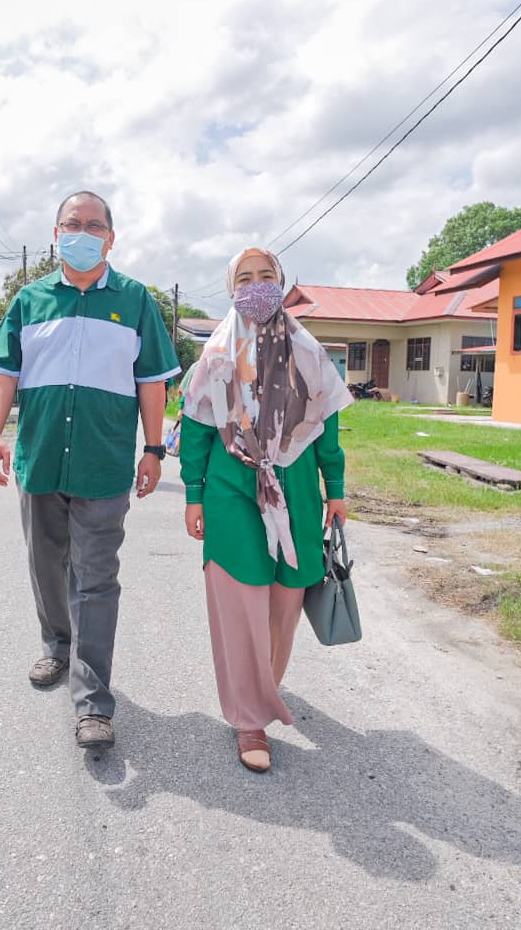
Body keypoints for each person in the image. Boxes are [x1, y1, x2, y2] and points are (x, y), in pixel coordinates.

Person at [0, 191, 180, 749]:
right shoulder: (30, 299)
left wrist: (154, 448)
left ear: (111, 238)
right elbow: (2, 372)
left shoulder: (136, 300)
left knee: (96, 578)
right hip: (40, 457)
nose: (83, 233)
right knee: (46, 563)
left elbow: (152, 382)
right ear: (55, 232)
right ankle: (56, 646)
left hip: (103, 460)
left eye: (95, 226)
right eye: (73, 224)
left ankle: (93, 702)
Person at [180, 247, 352, 772]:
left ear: (282, 282)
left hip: (296, 489)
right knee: (241, 601)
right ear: (232, 288)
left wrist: (335, 488)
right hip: (231, 488)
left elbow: (326, 428)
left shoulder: (309, 352)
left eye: (267, 276)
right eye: (245, 277)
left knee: (284, 603)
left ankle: (266, 688)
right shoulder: (214, 357)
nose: (256, 285)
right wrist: (192, 493)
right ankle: (249, 718)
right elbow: (196, 430)